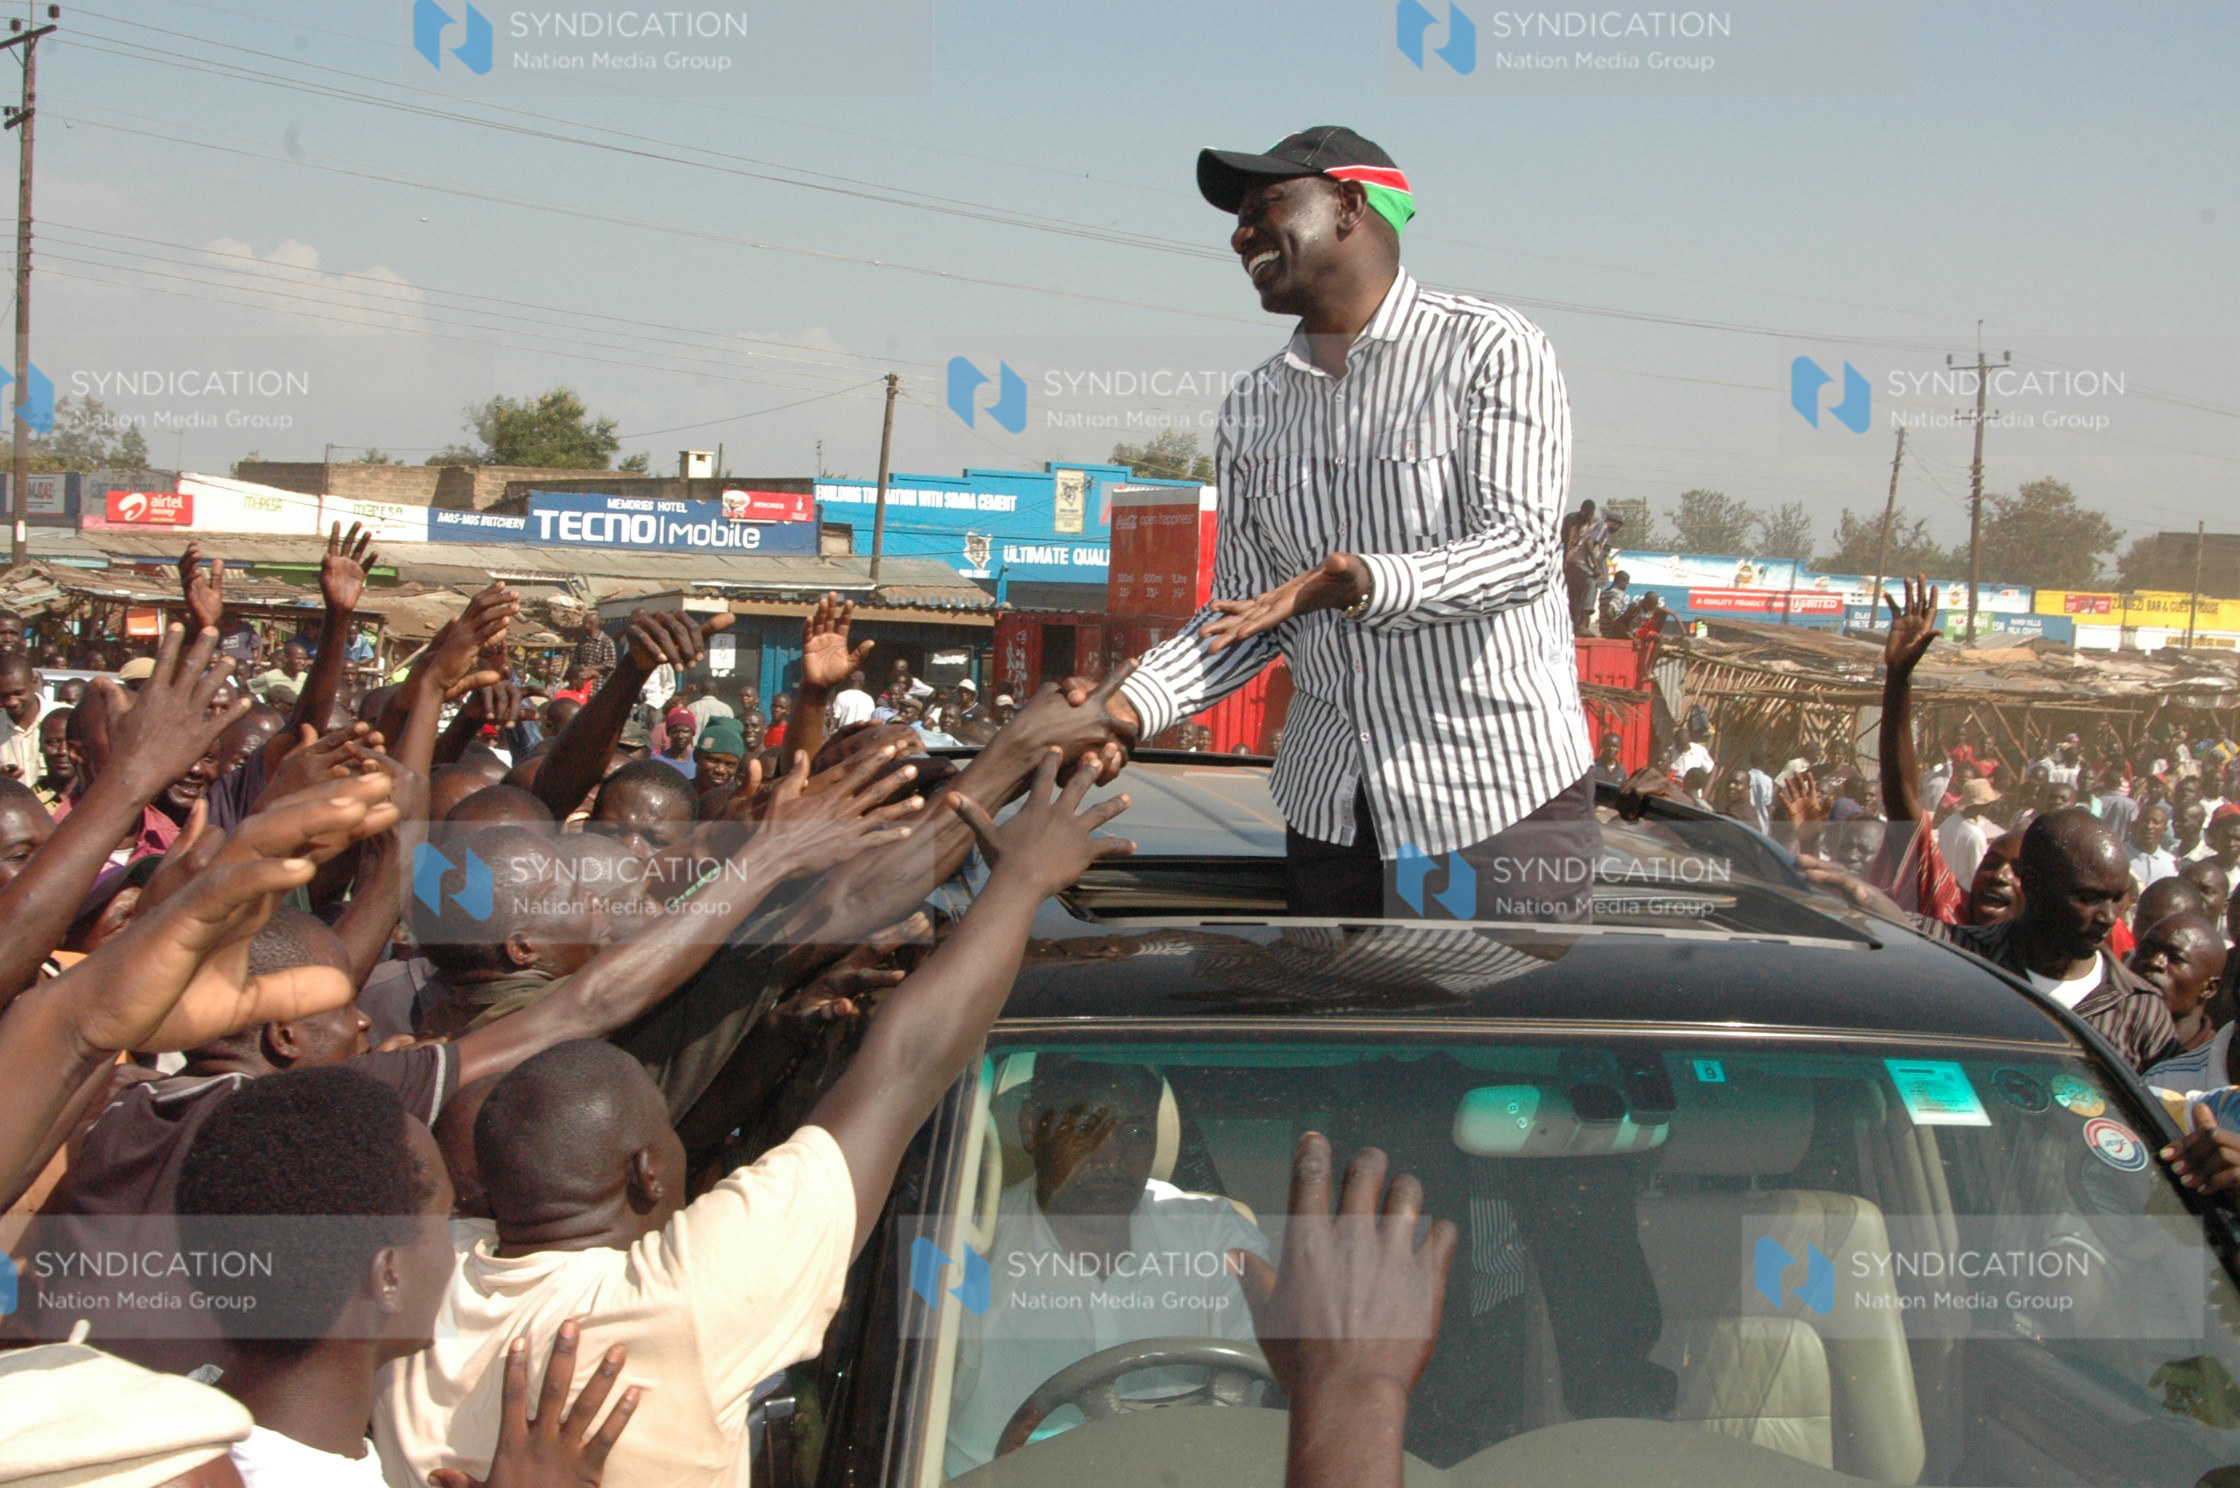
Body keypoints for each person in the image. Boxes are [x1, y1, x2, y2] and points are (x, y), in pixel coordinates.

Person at [375, 749, 1136, 1488]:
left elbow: (899, 1066)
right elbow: (904, 1067)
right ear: (646, 1172)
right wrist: (1023, 881)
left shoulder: (412, 1307)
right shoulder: (684, 1305)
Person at [1070, 125, 1596, 923]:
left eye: (1266, 204)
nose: (1240, 232)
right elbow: (1247, 615)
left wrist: (1364, 581)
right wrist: (1127, 705)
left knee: (1486, 1046)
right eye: (1238, 216)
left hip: (1496, 806)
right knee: (1346, 1045)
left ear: (1349, 204)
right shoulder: (1254, 406)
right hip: (1330, 814)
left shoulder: (1490, 348)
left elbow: (1522, 554)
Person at [943, 1058, 1268, 1473]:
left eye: (1135, 1132)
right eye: (1084, 1128)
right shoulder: (957, 1249)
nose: (1110, 1159)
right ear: (1031, 1128)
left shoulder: (1216, 1237)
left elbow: (1264, 1403)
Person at [1930, 807, 2179, 1071]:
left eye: (2118, 898)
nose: (2108, 917)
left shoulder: (2141, 1010)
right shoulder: (1952, 953)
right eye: (2089, 898)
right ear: (2033, 884)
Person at [2132, 913, 2229, 1053]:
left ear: (2209, 988)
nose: (2154, 962)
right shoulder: (2103, 1034)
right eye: (2145, 950)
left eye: (2175, 958)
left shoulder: (2213, 1062)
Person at [1938, 777, 2004, 886]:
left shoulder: (1948, 821)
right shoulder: (1975, 834)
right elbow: (1977, 872)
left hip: (1945, 884)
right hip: (1963, 890)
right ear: (1985, 805)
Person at [0, 649, 50, 783]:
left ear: (34, 683)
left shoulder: (65, 719)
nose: (12, 702)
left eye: (18, 693)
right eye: (3, 696)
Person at [2130, 801, 2179, 892]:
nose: (2149, 826)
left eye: (2156, 822)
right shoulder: (2122, 856)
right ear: (2137, 824)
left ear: (2165, 829)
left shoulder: (2170, 863)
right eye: (2145, 821)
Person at [691, 716, 746, 794]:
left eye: (730, 765)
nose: (720, 770)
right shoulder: (677, 794)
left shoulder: (736, 802)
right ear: (696, 756)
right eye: (713, 761)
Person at [247, 639, 311, 704]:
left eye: (304, 659)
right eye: (298, 658)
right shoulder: (269, 677)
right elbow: (247, 689)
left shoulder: (306, 678)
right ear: (286, 658)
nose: (302, 662)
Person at [1595, 569, 1632, 638]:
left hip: (1604, 630)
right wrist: (1615, 627)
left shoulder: (1604, 593)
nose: (1626, 586)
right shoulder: (1619, 593)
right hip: (1613, 630)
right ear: (1622, 581)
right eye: (1626, 583)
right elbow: (1609, 611)